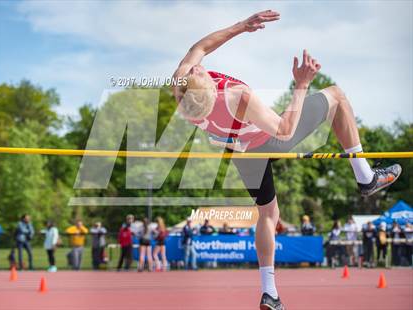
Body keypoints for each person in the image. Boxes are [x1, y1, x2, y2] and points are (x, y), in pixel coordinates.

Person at [172, 9, 402, 309]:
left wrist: (242, 26)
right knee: (337, 96)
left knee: (269, 215)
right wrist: (302, 84)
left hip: (240, 152)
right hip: (269, 141)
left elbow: (198, 48)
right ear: (211, 90)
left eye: (195, 71)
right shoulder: (236, 96)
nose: (198, 68)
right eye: (198, 72)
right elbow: (284, 130)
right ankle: (365, 177)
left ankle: (270, 293)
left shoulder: (182, 91)